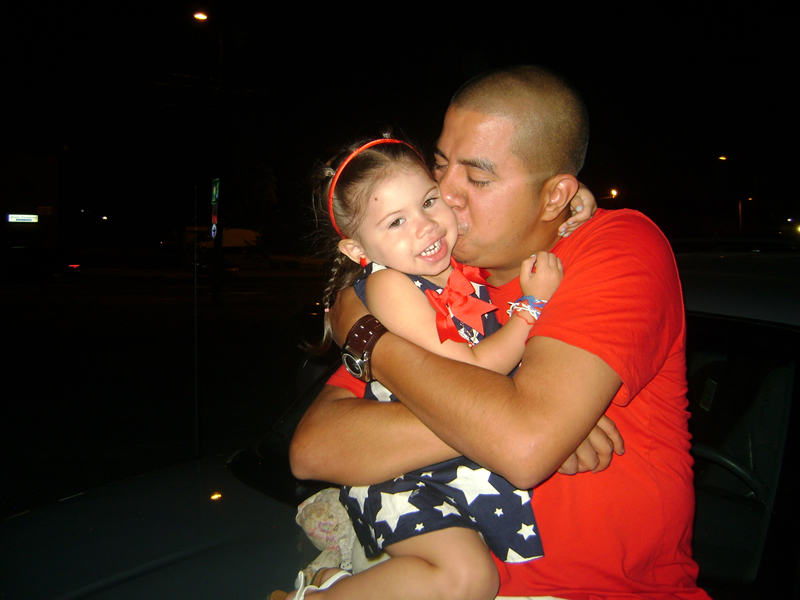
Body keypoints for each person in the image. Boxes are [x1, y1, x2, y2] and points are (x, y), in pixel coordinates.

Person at [291, 65, 710, 599]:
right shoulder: (436, 277)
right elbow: (315, 447)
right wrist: (515, 417)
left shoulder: (616, 248)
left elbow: (523, 445)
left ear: (556, 196)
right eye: (440, 166)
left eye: (478, 179)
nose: (444, 194)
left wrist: (370, 341)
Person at [271, 136, 584, 600]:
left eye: (429, 202)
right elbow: (476, 368)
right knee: (467, 577)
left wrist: (573, 204)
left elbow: (518, 221)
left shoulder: (453, 264)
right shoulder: (390, 287)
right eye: (396, 221)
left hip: (446, 468)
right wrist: (532, 307)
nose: (425, 227)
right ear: (358, 251)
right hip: (402, 475)